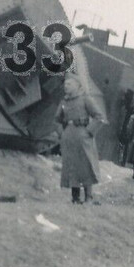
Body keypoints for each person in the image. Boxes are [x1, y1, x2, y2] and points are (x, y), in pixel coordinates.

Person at [56, 74, 106, 204]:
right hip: (69, 137)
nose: (66, 86)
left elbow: (99, 117)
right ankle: (75, 197)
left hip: (83, 136)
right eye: (65, 84)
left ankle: (88, 197)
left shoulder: (85, 99)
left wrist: (88, 132)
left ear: (77, 85)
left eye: (69, 84)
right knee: (72, 165)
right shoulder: (64, 101)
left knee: (86, 165)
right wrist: (62, 134)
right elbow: (57, 119)